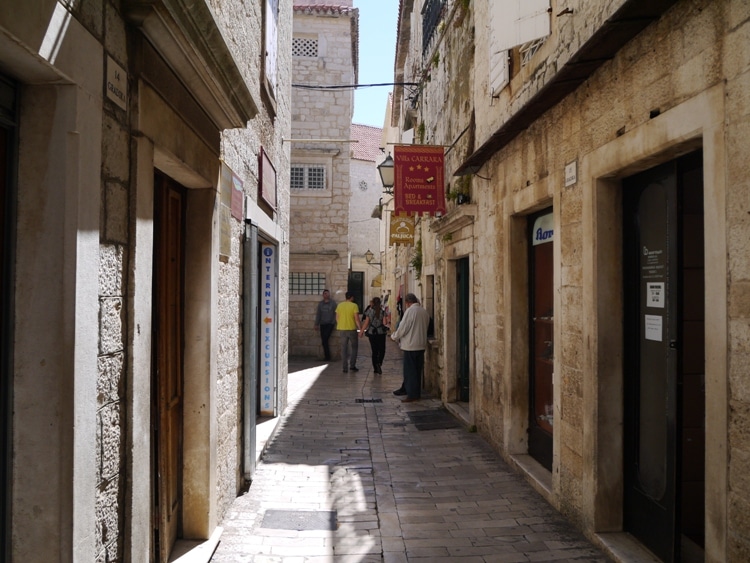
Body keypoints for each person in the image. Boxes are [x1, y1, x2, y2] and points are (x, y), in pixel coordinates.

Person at [389, 293, 431, 402]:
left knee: (410, 371)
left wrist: (394, 336)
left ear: (407, 302)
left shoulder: (410, 311)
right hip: (420, 345)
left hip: (410, 346)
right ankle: (411, 391)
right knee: (417, 370)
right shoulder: (424, 311)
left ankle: (412, 395)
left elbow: (403, 328)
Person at [359, 296, 389, 374]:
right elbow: (385, 323)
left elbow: (366, 322)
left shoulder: (369, 311)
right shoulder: (382, 311)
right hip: (381, 333)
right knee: (382, 350)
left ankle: (375, 368)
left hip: (372, 333)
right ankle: (379, 363)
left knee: (374, 351)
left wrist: (361, 331)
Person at [335, 291, 361, 372]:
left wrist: (341, 324)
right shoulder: (354, 306)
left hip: (342, 329)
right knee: (354, 348)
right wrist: (360, 329)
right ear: (352, 297)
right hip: (352, 329)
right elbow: (356, 319)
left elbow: (337, 317)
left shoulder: (340, 305)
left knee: (344, 348)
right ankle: (352, 366)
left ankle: (344, 367)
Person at [314, 289, 337, 361]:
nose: (326, 295)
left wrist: (333, 321)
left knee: (325, 339)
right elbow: (318, 314)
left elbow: (336, 313)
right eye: (324, 294)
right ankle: (327, 356)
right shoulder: (320, 304)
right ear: (323, 295)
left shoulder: (333, 303)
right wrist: (316, 324)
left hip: (330, 324)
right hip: (323, 324)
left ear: (329, 294)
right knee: (324, 341)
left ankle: (327, 356)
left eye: (327, 293)